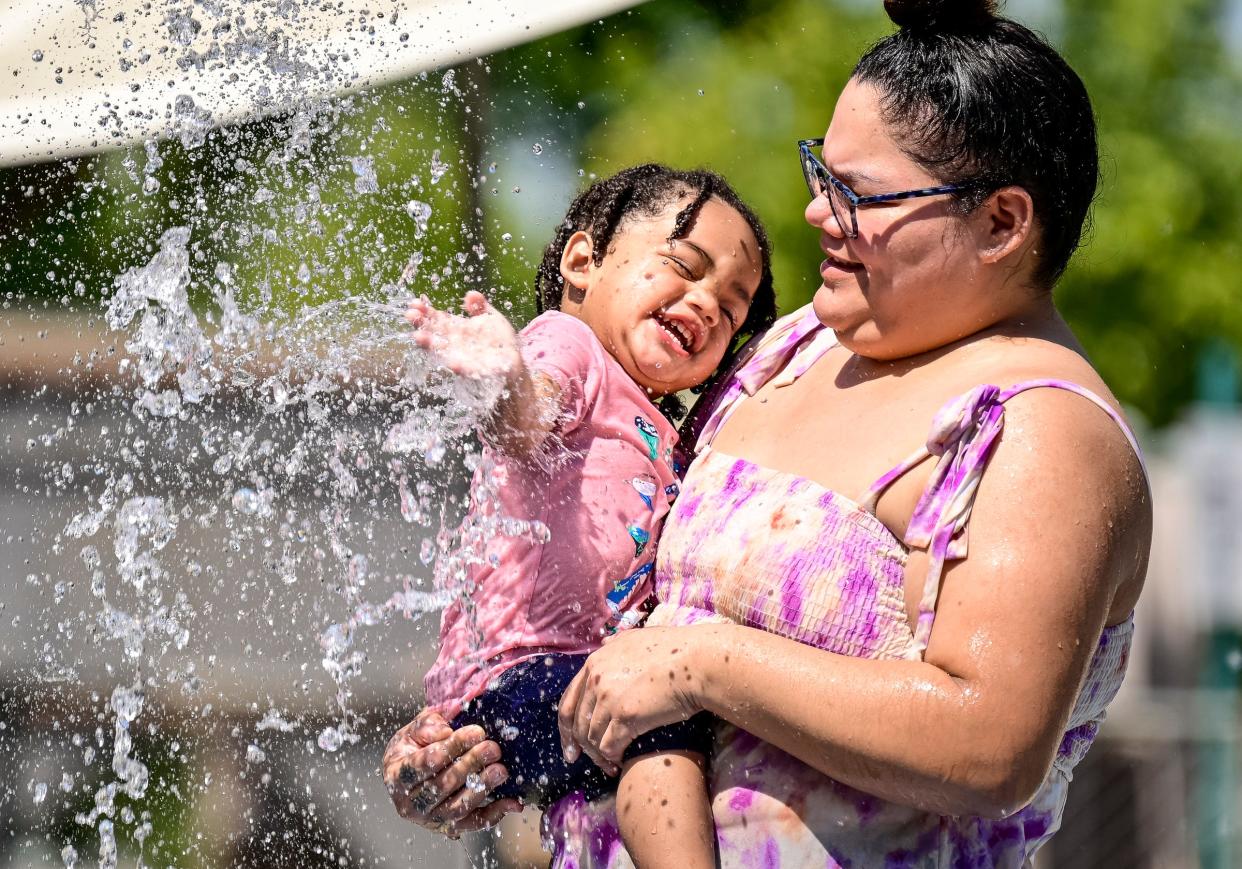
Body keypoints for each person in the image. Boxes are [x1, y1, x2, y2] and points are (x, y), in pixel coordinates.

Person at [384, 1, 1153, 865]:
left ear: (1002, 223)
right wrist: (486, 738)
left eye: (860, 195)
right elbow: (608, 569)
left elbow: (988, 744)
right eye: (823, 172)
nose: (819, 213)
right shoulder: (790, 348)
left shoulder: (1041, 429)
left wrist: (697, 664)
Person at [400, 164, 776, 868]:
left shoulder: (664, 430)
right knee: (660, 720)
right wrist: (503, 376)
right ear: (583, 262)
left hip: (551, 685)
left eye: (732, 309)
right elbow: (526, 420)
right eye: (683, 267)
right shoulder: (571, 349)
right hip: (518, 675)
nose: (704, 305)